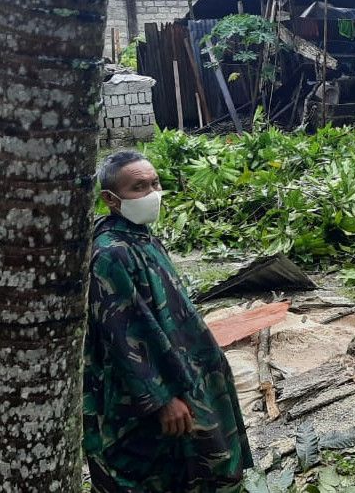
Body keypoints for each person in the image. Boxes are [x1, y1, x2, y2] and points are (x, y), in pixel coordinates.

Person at [84, 150, 253, 493]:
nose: (152, 194)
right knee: (161, 474)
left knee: (205, 463)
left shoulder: (140, 236)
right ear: (111, 199)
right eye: (138, 188)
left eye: (155, 183)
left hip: (183, 375)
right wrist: (161, 399)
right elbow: (125, 337)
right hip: (149, 395)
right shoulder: (111, 254)